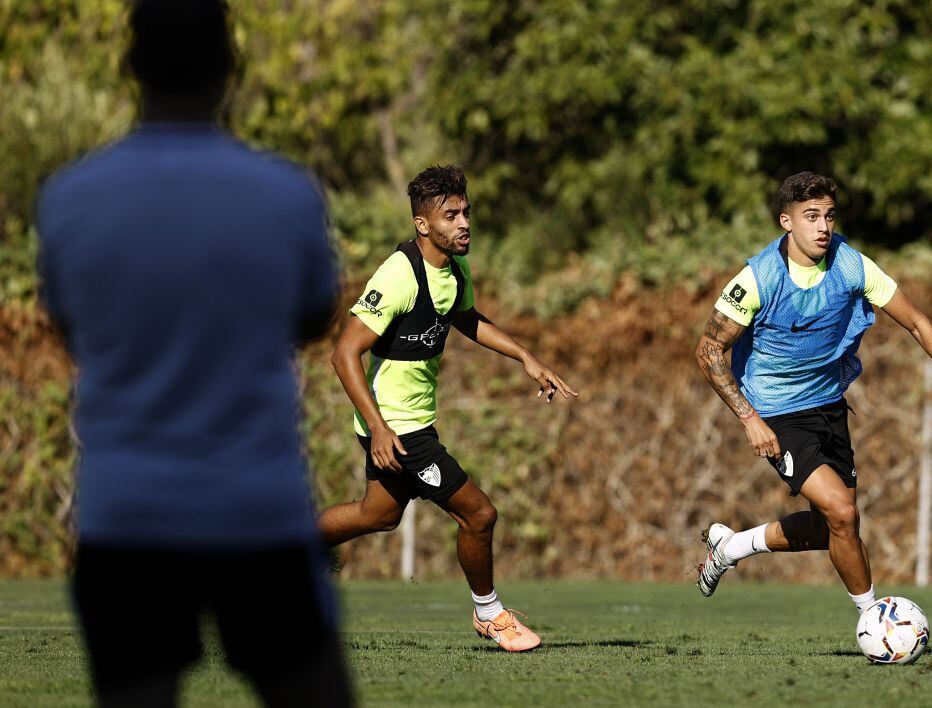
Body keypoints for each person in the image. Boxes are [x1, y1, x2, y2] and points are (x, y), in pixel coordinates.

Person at [35, 1, 353, 705]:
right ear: (229, 70)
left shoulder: (69, 197)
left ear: (129, 66)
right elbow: (309, 319)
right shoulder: (287, 193)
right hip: (256, 510)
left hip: (126, 515)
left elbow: (69, 327)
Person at [694, 172, 932, 613]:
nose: (822, 227)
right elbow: (707, 351)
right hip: (776, 412)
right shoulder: (757, 278)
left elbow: (917, 322)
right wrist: (750, 419)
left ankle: (733, 547)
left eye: (829, 216)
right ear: (786, 221)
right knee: (843, 513)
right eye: (810, 216)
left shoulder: (852, 265)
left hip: (829, 404)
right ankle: (875, 620)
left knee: (833, 527)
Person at [318, 164, 576, 652]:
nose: (464, 224)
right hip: (397, 426)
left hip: (408, 421)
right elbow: (343, 353)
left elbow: (467, 318)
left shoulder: (455, 270)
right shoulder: (398, 276)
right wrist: (377, 428)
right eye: (450, 215)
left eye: (466, 213)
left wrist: (526, 356)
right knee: (478, 514)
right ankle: (491, 614)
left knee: (378, 515)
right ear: (423, 225)